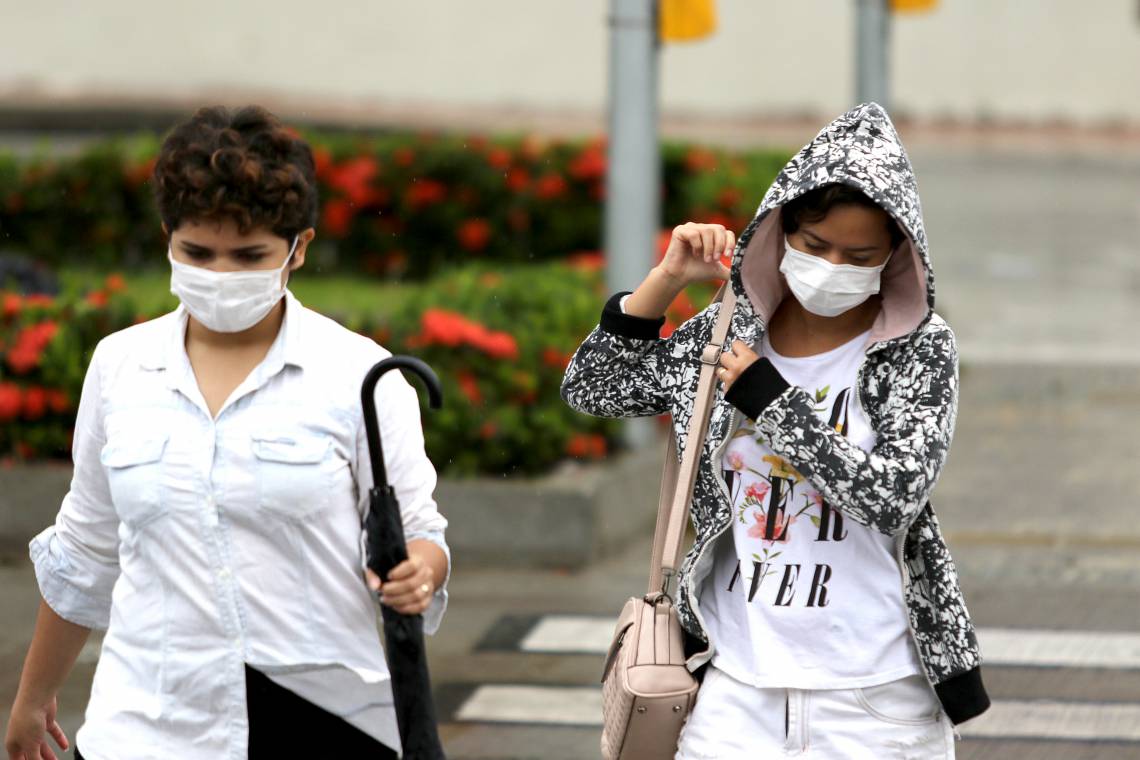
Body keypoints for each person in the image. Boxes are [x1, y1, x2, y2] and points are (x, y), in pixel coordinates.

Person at [4, 105, 450, 760]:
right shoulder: (121, 366)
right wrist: (32, 697)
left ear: (299, 248)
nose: (219, 275)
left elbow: (421, 532)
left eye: (249, 256)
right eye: (197, 252)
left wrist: (420, 571)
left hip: (320, 722)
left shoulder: (361, 375)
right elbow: (87, 546)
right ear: (167, 237)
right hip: (145, 724)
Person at [562, 103, 989, 758]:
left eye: (859, 255)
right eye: (815, 246)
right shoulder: (726, 333)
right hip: (737, 687)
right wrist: (667, 280)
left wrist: (772, 401)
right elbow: (595, 388)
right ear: (780, 229)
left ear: (895, 255)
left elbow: (893, 495)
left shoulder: (918, 349)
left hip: (875, 696)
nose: (832, 266)